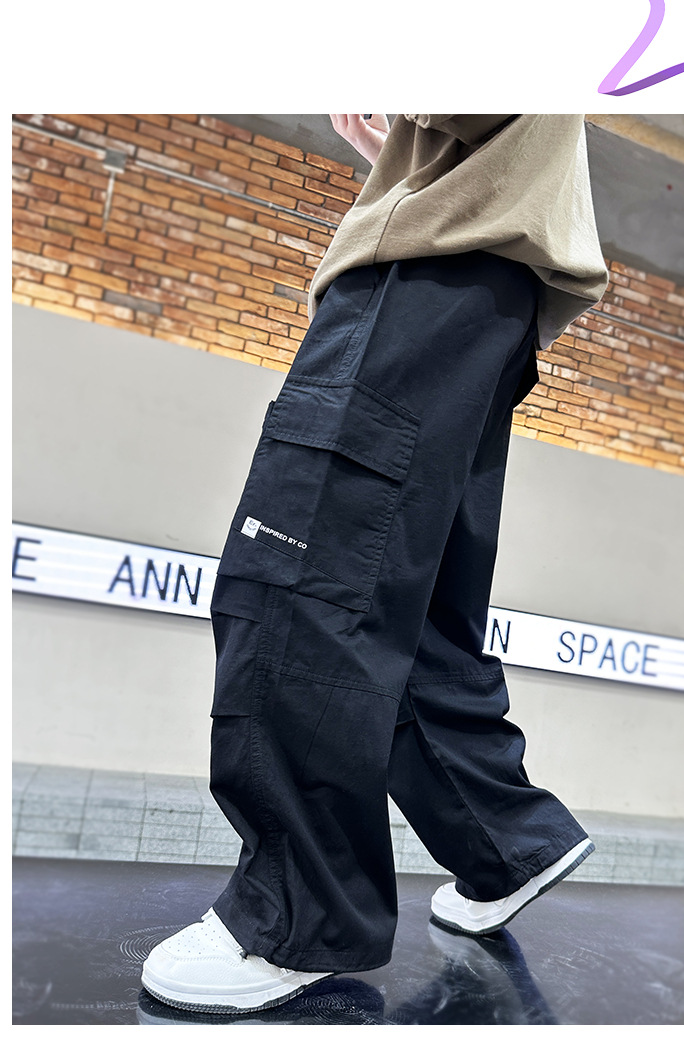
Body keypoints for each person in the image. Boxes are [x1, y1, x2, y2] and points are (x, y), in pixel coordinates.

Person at [141, 113, 610, 1014]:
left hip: (425, 270)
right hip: (487, 293)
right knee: (407, 607)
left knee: (300, 580)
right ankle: (504, 842)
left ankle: (292, 918)